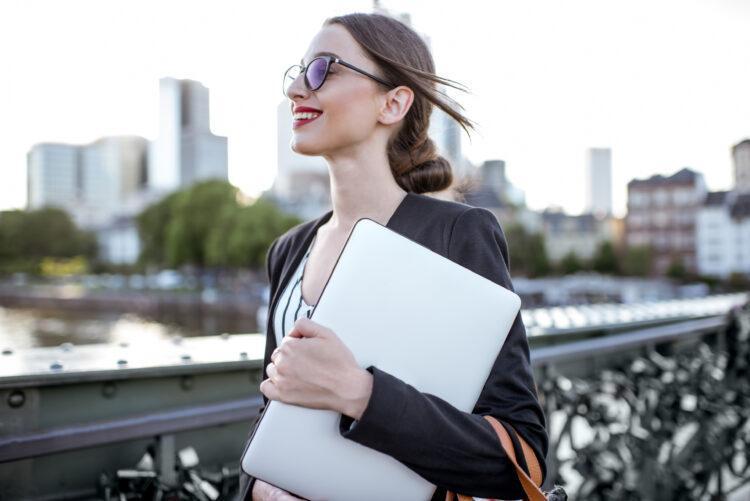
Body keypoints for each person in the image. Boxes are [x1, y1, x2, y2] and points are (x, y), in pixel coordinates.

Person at [238, 12, 548, 501]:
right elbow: (270, 414)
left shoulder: (458, 235)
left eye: (323, 68)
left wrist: (359, 393)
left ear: (394, 102)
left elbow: (520, 460)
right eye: (297, 72)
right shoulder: (289, 249)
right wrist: (259, 490)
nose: (297, 88)